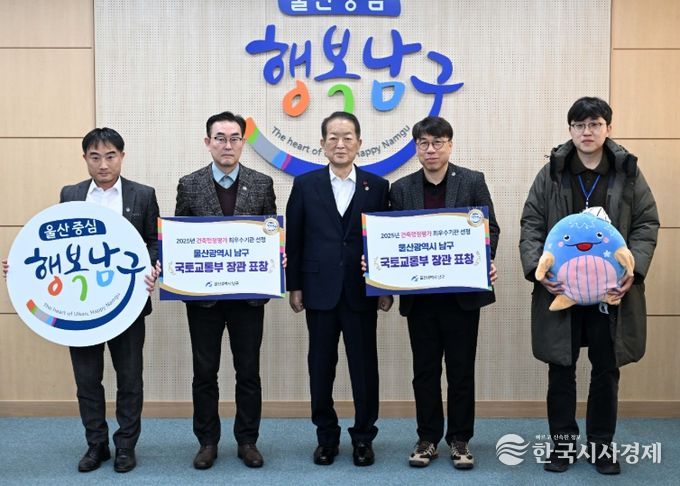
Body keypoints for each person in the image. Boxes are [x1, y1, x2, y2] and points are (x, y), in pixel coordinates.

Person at [1, 128, 161, 473]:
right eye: (95, 157)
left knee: (130, 379)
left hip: (127, 305)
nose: (103, 164)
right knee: (87, 380)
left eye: (110, 156)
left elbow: (154, 242)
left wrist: (151, 267)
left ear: (122, 156)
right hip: (80, 307)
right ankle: (96, 444)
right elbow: (53, 247)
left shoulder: (143, 195)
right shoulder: (71, 194)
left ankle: (125, 446)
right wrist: (21, 269)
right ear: (85, 158)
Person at [519, 97, 659, 475]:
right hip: (561, 291)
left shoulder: (627, 173)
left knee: (606, 371)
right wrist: (539, 271)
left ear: (608, 128)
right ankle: (563, 446)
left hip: (610, 295)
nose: (587, 132)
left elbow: (646, 224)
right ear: (570, 130)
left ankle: (601, 447)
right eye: (579, 125)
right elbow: (532, 223)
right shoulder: (552, 173)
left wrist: (634, 272)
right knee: (560, 371)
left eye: (595, 124)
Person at [389, 116, 499, 470]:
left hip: (461, 298)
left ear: (450, 145)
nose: (431, 149)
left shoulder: (472, 181)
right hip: (420, 299)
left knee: (461, 371)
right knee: (424, 371)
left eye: (437, 142)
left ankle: (460, 439)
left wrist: (484, 259)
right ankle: (427, 438)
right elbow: (391, 238)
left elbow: (491, 229)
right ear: (416, 148)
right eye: (423, 143)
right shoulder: (401, 188)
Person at [285, 111, 392, 467]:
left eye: (347, 137)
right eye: (333, 137)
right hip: (319, 289)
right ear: (322, 144)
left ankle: (363, 437)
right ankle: (326, 437)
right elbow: (294, 239)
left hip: (362, 291)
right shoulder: (305, 184)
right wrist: (294, 286)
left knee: (364, 368)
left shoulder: (378, 187)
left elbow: (386, 240)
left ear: (360, 143)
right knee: (321, 367)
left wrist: (385, 287)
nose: (340, 144)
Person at [175, 111, 276, 469]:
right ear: (208, 142)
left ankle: (247, 440)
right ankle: (207, 441)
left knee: (248, 372)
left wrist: (275, 256)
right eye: (220, 138)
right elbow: (180, 240)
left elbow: (271, 234)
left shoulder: (262, 183)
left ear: (243, 142)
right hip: (204, 300)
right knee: (205, 373)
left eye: (234, 138)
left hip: (248, 298)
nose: (227, 145)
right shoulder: (189, 185)